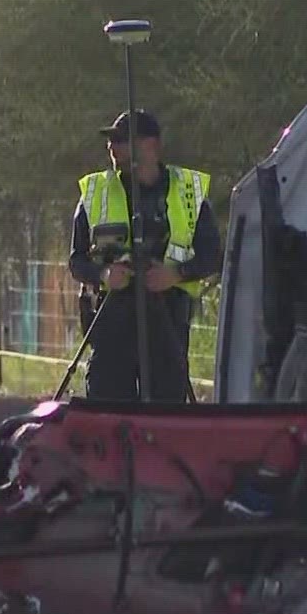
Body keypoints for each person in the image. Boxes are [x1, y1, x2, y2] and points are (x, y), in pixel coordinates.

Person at [68, 109, 222, 402]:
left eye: (122, 140)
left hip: (167, 324)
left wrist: (174, 275)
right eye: (111, 141)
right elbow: (76, 261)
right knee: (108, 415)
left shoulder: (187, 191)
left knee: (166, 418)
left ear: (151, 145)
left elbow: (212, 255)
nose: (112, 148)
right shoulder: (96, 192)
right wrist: (104, 275)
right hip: (112, 321)